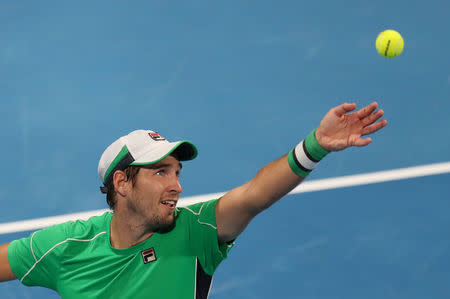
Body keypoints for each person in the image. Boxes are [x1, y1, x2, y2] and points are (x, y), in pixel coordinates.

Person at [0, 102, 387, 298]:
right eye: (159, 173)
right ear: (121, 182)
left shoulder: (195, 231)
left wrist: (314, 147)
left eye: (177, 173)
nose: (176, 186)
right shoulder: (66, 248)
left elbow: (254, 195)